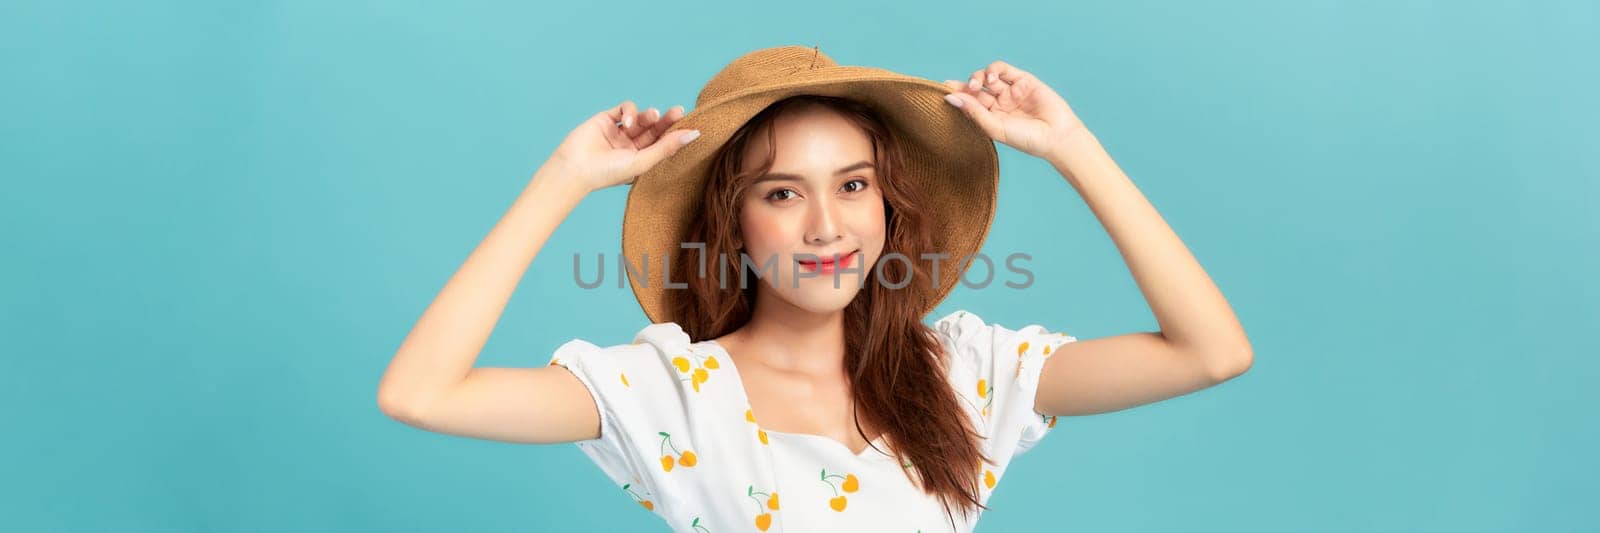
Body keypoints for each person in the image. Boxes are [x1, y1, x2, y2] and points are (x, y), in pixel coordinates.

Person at [377, 46, 1252, 533]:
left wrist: (1073, 147)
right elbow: (421, 393)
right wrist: (564, 177)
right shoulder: (674, 395)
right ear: (733, 223)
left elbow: (1211, 351)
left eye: (854, 183)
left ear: (887, 203)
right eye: (782, 193)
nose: (827, 227)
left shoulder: (963, 376)